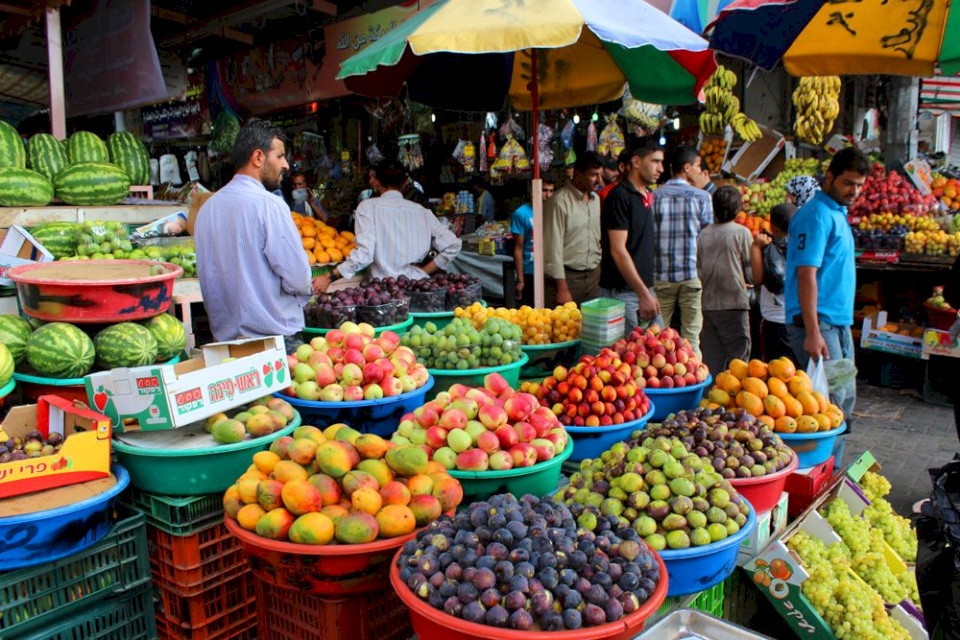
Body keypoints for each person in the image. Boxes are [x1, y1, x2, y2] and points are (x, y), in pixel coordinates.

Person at [194, 119, 316, 354]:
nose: (286, 165)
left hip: (226, 348)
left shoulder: (208, 208)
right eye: (279, 156)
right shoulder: (269, 205)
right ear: (258, 157)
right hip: (275, 344)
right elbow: (298, 277)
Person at [784, 147, 868, 423]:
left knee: (842, 402)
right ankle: (825, 465)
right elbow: (806, 274)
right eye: (847, 183)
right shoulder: (816, 215)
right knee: (827, 407)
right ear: (829, 178)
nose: (853, 191)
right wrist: (813, 332)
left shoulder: (837, 212)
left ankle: (837, 465)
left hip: (837, 323)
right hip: (819, 324)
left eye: (858, 185)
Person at [315, 161, 462, 286]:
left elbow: (365, 254)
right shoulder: (422, 212)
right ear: (405, 183)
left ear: (377, 181)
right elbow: (453, 244)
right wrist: (424, 272)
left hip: (383, 291)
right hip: (418, 286)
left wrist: (329, 277)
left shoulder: (368, 208)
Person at [652, 145, 714, 357]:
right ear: (686, 168)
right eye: (697, 167)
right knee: (691, 338)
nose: (700, 171)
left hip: (661, 276)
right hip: (690, 275)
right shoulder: (702, 197)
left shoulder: (654, 197)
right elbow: (706, 235)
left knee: (656, 338)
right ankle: (694, 381)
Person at [599, 139, 664, 336]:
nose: (660, 168)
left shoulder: (646, 196)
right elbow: (618, 250)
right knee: (629, 358)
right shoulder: (620, 197)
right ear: (636, 162)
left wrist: (647, 291)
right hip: (623, 293)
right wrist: (643, 293)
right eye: (654, 161)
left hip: (643, 289)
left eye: (661, 162)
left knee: (659, 349)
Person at [697, 186, 754, 375]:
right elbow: (750, 271)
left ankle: (711, 401)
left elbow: (699, 270)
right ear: (738, 208)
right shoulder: (742, 233)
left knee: (712, 359)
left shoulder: (704, 234)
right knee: (739, 359)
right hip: (734, 303)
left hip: (709, 304)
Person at [543, 152, 604, 306]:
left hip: (593, 277)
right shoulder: (559, 202)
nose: (599, 180)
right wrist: (562, 287)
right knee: (565, 327)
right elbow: (552, 249)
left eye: (600, 175)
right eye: (594, 175)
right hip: (568, 278)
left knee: (591, 326)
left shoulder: (595, 200)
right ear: (578, 174)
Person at [751, 203, 797, 363]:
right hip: (798, 320)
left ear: (772, 226)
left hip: (773, 321)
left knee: (775, 373)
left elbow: (757, 279)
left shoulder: (767, 248)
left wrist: (756, 247)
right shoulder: (803, 247)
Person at [511, 173, 557, 308]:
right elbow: (518, 249)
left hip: (550, 270)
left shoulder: (554, 210)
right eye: (544, 190)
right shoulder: (521, 214)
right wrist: (520, 280)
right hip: (530, 271)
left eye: (551, 191)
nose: (548, 195)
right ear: (534, 190)